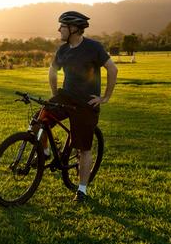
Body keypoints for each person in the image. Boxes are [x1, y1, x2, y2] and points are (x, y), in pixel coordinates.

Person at [47, 11, 118, 203]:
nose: (58, 29)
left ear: (73, 29)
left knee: (83, 148)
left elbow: (112, 69)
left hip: (86, 103)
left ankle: (82, 190)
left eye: (62, 26)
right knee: (41, 118)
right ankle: (43, 152)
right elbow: (52, 71)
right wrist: (54, 95)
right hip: (66, 97)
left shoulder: (93, 47)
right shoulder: (62, 50)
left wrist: (105, 97)